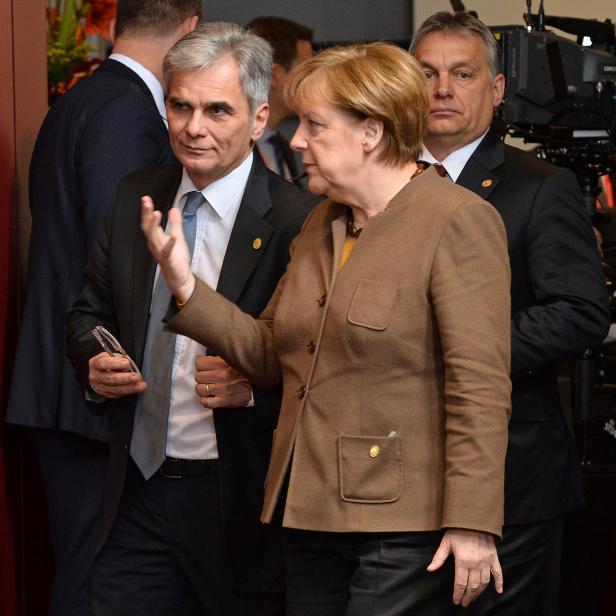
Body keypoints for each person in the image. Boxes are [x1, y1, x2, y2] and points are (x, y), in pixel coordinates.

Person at [141, 42, 513, 615]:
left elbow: (479, 387)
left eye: (313, 124)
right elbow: (269, 354)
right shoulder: (322, 220)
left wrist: (473, 522)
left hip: (402, 524)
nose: (295, 141)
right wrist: (184, 284)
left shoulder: (457, 221)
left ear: (371, 131)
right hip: (306, 510)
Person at [66, 22, 317, 616]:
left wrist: (255, 390)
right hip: (136, 492)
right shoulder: (137, 196)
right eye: (180, 106)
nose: (193, 127)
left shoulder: (297, 220)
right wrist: (93, 360)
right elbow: (86, 312)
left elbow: (325, 364)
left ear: (259, 119)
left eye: (217, 110)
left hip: (237, 501)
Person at [409, 11, 610, 615]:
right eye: (428, 73)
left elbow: (579, 312)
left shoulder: (537, 186)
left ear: (496, 91)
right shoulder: (378, 182)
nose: (443, 89)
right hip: (395, 478)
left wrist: (459, 348)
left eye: (463, 74)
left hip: (510, 481)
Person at [5, 2, 200, 614]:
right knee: (98, 581)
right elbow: (123, 257)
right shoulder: (126, 111)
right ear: (187, 33)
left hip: (66, 381)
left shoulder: (82, 99)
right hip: (90, 383)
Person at [248, 16, 313, 186]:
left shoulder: (283, 145)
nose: (312, 80)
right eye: (306, 71)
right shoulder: (234, 149)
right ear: (274, 76)